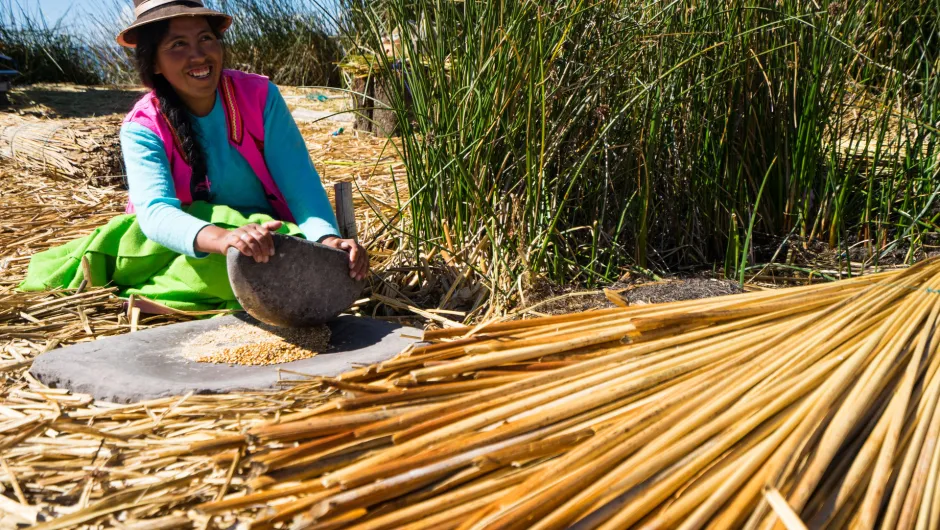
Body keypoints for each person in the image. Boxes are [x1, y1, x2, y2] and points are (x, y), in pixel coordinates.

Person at [19, 0, 367, 311]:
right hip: (183, 240)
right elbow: (155, 213)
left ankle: (168, 294)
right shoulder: (142, 126)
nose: (198, 55)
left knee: (286, 258)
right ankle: (156, 290)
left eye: (205, 39)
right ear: (153, 62)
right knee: (250, 265)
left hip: (261, 234)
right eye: (177, 45)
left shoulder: (259, 97)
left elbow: (300, 182)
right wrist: (225, 239)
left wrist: (326, 239)